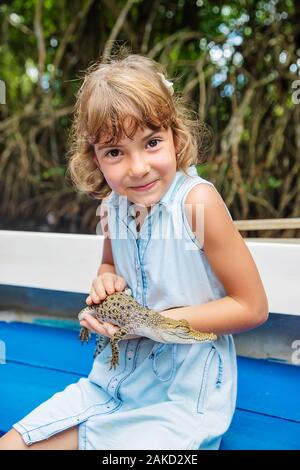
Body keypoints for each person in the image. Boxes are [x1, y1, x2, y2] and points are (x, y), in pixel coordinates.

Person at [0, 50, 269, 450]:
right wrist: (105, 282)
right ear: (95, 157)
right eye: (115, 152)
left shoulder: (197, 204)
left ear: (176, 137)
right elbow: (110, 264)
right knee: (14, 444)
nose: (138, 166)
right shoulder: (112, 206)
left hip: (183, 393)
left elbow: (251, 307)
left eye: (152, 142)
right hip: (113, 379)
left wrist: (148, 324)